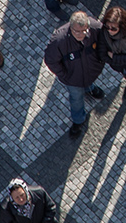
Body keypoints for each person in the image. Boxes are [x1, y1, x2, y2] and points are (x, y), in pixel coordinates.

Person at [43, 10, 108, 139]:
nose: (81, 34)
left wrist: (100, 60)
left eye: (84, 30)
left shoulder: (96, 28)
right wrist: (65, 75)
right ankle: (78, 120)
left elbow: (106, 40)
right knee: (76, 99)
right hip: (73, 79)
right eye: (77, 31)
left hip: (90, 72)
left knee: (88, 82)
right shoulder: (59, 41)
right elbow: (50, 60)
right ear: (70, 27)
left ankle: (90, 89)